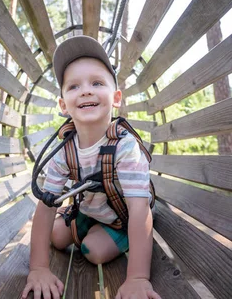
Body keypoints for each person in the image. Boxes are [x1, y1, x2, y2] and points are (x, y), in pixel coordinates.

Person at [22, 36, 160, 299]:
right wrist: (38, 268)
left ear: (116, 98)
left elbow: (139, 209)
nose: (85, 90)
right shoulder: (64, 150)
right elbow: (46, 206)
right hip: (90, 210)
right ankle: (91, 226)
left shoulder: (125, 148)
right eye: (74, 86)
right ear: (63, 105)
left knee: (93, 251)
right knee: (56, 237)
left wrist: (137, 278)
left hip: (123, 217)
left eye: (97, 83)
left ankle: (119, 237)